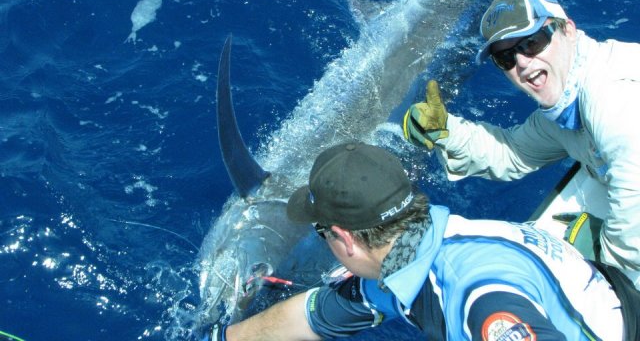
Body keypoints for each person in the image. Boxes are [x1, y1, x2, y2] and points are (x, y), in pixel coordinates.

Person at [203, 142, 637, 341]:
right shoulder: (402, 259)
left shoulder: (479, 299)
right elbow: (309, 317)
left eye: (320, 232)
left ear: (343, 239)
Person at [403, 0, 640, 289]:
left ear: (567, 30)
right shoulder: (563, 110)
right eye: (505, 58)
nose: (522, 63)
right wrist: (446, 131)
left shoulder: (613, 95)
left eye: (533, 42)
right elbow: (512, 153)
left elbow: (634, 228)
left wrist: (599, 266)